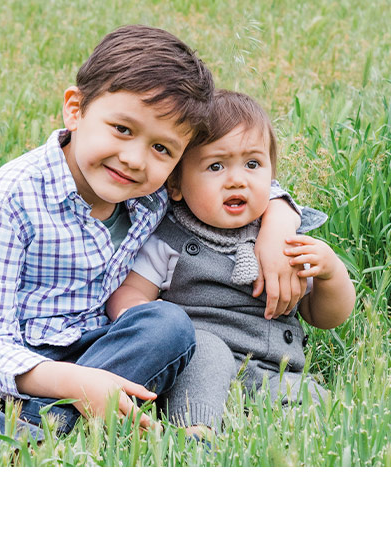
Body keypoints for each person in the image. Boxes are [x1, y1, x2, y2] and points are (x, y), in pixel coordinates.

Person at [0, 25, 308, 443]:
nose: (134, 158)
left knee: (168, 325)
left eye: (160, 148)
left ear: (176, 164)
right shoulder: (8, 196)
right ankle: (34, 428)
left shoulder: (151, 193)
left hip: (94, 349)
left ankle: (36, 425)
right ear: (76, 110)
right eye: (122, 129)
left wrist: (279, 220)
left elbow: (229, 180)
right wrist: (76, 383)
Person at [106, 90, 355, 436]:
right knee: (206, 354)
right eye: (216, 166)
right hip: (199, 368)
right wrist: (144, 324)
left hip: (276, 369)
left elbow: (324, 316)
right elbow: (131, 292)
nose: (237, 179)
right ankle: (197, 430)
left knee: (323, 409)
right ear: (175, 184)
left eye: (252, 164)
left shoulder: (284, 241)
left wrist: (330, 273)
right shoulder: (169, 238)